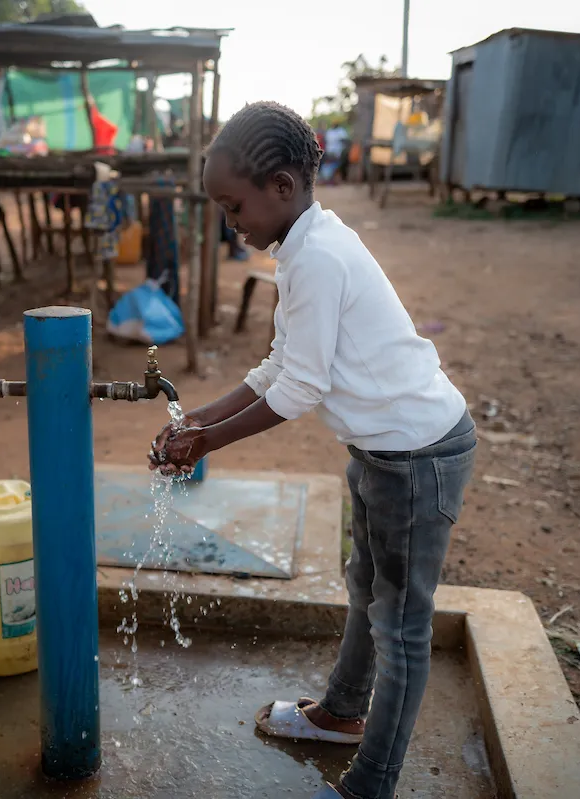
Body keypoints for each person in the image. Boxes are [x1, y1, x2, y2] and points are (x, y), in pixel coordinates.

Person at [149, 101, 475, 799]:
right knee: (366, 589)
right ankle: (341, 713)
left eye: (235, 207)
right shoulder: (300, 249)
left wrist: (206, 439)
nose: (231, 224)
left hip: (419, 455)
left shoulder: (320, 256)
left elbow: (300, 389)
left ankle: (371, 784)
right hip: (382, 452)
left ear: (283, 187)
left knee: (403, 625)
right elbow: (279, 365)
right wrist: (196, 417)